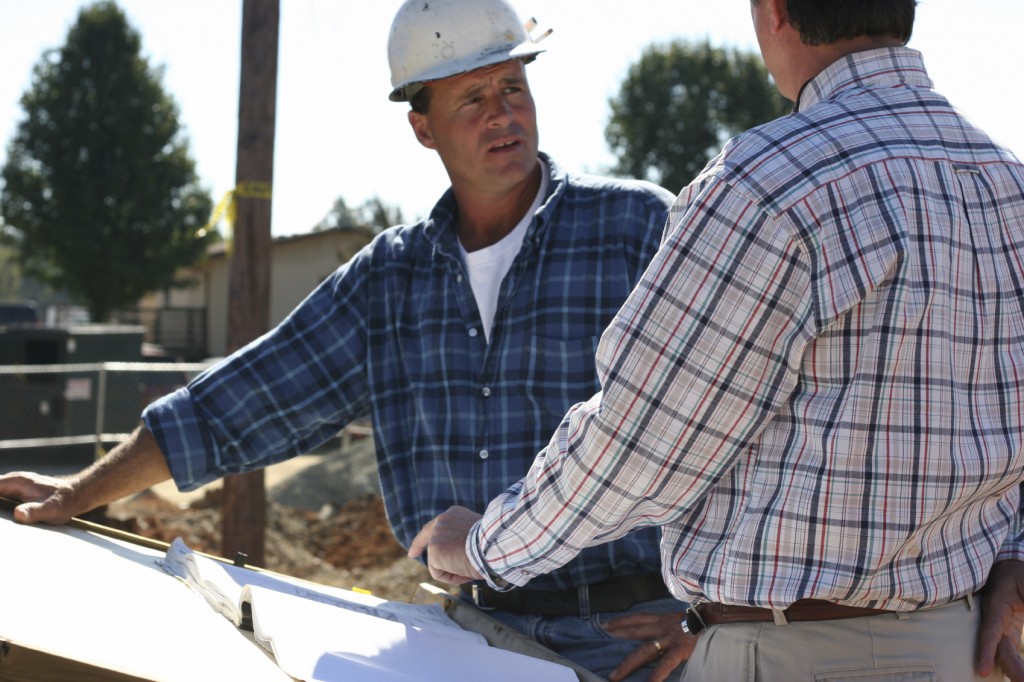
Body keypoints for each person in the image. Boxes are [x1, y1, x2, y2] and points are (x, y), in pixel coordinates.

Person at [0, 1, 688, 680]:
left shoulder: (637, 230)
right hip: (470, 636)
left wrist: (708, 614)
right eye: (472, 97)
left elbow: (742, 419)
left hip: (632, 638)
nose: (503, 114)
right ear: (422, 127)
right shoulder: (390, 280)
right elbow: (237, 403)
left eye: (513, 86)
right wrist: (78, 492)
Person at [412, 0, 1024, 679]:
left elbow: (639, 447)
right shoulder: (1006, 183)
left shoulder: (771, 183)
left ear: (774, 12)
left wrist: (480, 547)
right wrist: (1016, 555)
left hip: (798, 656)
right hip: (961, 650)